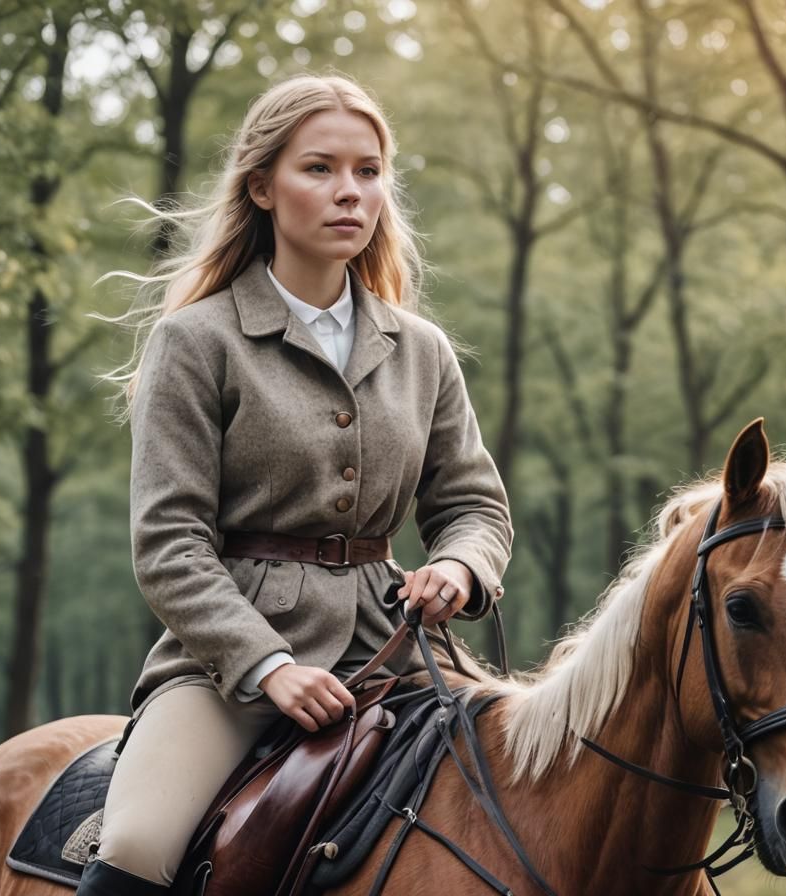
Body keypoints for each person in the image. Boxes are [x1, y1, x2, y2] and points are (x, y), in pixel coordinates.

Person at [78, 74, 513, 895]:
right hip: (226, 669)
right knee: (137, 843)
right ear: (261, 186)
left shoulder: (423, 351)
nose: (350, 192)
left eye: (369, 171)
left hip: (401, 654)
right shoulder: (195, 342)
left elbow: (473, 507)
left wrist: (458, 568)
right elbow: (169, 544)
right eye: (320, 169)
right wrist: (268, 665)